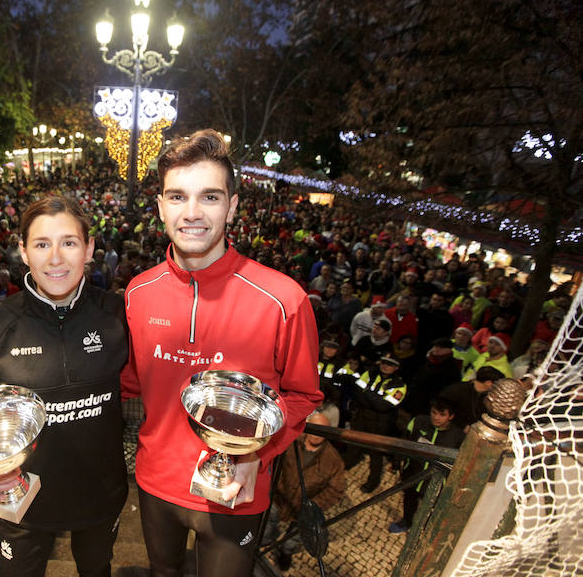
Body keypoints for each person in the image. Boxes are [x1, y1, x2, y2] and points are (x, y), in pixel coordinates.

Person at [121, 130, 322, 577]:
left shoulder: (284, 299)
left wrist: (257, 455)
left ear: (232, 206)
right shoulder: (138, 292)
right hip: (155, 483)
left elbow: (304, 395)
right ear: (160, 207)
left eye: (209, 197)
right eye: (177, 196)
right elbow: (129, 381)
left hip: (239, 489)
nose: (191, 213)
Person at [0, 196, 129, 577]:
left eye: (69, 242)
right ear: (23, 251)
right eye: (42, 244)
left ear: (89, 248)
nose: (56, 258)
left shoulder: (117, 314)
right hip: (23, 498)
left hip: (100, 492)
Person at [273, 412, 346, 570]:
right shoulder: (291, 441)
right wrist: (277, 486)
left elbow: (336, 490)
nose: (316, 435)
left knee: (293, 539)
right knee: (267, 525)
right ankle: (262, 545)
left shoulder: (333, 460)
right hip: (279, 499)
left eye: (322, 431)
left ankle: (285, 553)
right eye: (314, 428)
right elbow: (275, 463)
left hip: (303, 510)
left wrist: (311, 506)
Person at [388, 397, 465, 533]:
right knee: (409, 499)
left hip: (435, 480)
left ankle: (425, 530)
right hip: (412, 472)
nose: (436, 417)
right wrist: (397, 461)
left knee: (430, 506)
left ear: (451, 416)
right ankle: (406, 522)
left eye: (442, 415)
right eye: (434, 413)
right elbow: (405, 442)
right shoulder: (419, 422)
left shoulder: (458, 436)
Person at [343, 353, 407, 493]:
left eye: (389, 364)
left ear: (396, 367)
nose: (385, 366)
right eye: (384, 362)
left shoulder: (399, 385)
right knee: (353, 442)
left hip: (380, 423)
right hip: (361, 416)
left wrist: (366, 395)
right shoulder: (370, 373)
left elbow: (383, 406)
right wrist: (374, 399)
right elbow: (357, 392)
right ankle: (348, 463)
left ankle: (373, 481)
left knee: (375, 452)